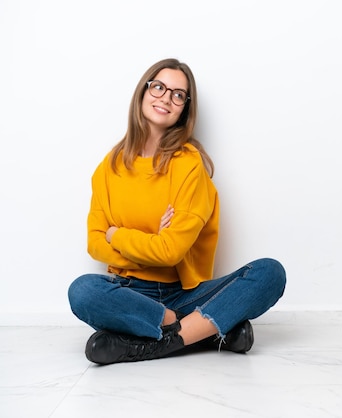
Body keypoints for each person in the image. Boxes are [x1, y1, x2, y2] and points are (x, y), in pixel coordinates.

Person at [68, 58, 286, 365]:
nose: (166, 98)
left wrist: (116, 234)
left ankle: (153, 342)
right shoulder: (109, 167)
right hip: (128, 292)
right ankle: (203, 330)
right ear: (143, 92)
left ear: (185, 108)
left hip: (184, 292)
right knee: (82, 291)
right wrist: (150, 241)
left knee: (269, 272)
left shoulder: (188, 164)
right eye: (158, 86)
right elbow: (94, 244)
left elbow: (170, 253)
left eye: (178, 94)